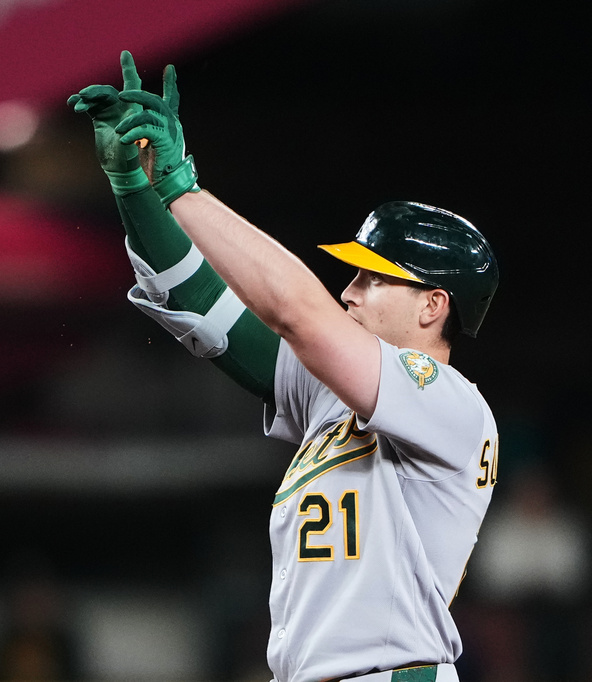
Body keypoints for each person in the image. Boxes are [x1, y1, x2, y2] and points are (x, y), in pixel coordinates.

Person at [69, 51, 500, 682]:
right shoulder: (333, 396)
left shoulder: (452, 406)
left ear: (434, 305)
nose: (350, 293)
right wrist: (136, 187)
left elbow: (297, 312)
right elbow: (206, 309)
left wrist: (181, 188)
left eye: (372, 279)